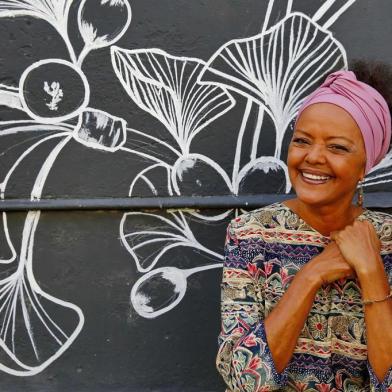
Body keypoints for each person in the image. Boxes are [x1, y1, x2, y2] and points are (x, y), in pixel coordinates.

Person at [217, 65, 392, 391]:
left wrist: (370, 271)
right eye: (302, 141)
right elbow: (245, 381)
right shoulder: (251, 235)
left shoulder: (388, 241)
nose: (313, 157)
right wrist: (312, 275)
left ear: (365, 165)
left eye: (337, 147)